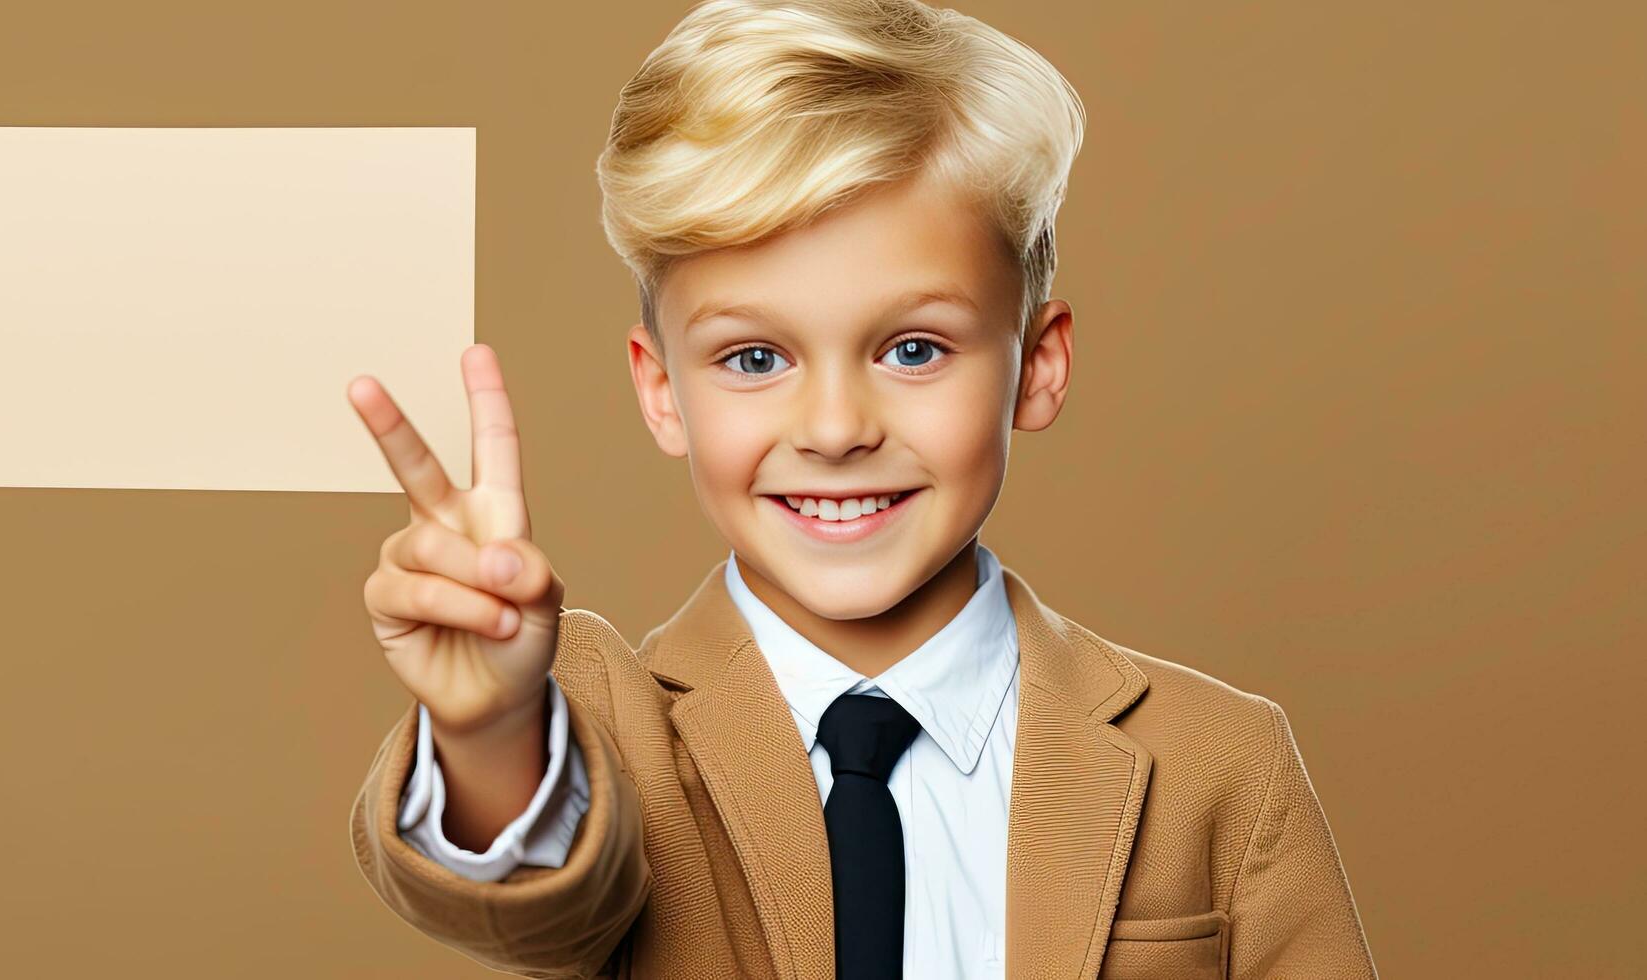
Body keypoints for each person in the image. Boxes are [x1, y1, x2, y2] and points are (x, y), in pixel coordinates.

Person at [345, 1, 1375, 976]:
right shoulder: (599, 727)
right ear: (662, 392)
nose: (835, 429)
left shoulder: (1218, 761)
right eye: (753, 358)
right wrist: (486, 735)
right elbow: (537, 888)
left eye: (912, 348)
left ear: (1035, 363)